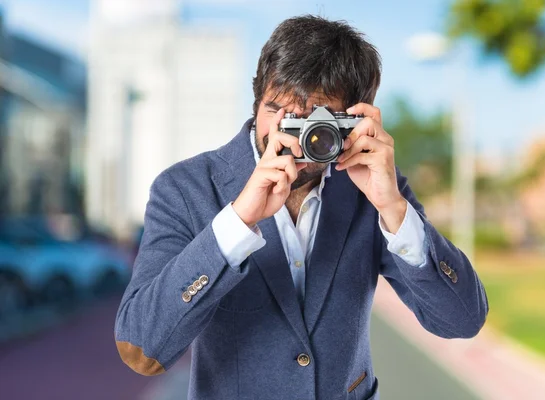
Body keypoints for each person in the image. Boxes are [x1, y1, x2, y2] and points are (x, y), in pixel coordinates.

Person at [114, 15, 488, 400]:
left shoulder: (373, 190)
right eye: (277, 110)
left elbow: (462, 319)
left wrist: (393, 208)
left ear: (354, 118)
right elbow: (141, 350)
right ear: (257, 100)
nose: (290, 134)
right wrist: (238, 222)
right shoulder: (185, 189)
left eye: (317, 120)